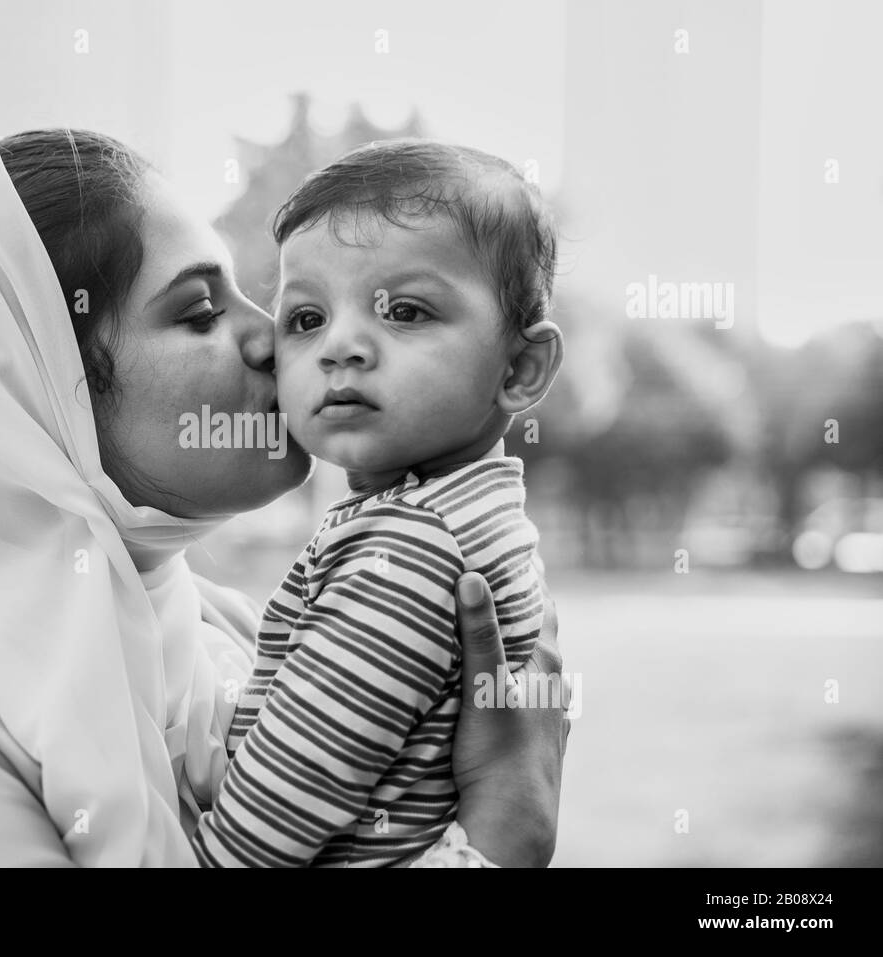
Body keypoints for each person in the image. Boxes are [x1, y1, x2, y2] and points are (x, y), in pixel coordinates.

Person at [0, 129, 568, 867]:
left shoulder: (208, 629)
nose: (277, 339)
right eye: (199, 312)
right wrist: (500, 834)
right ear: (33, 396)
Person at [192, 140, 563, 867]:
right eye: (304, 319)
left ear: (519, 367)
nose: (342, 346)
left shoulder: (411, 546)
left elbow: (266, 825)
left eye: (408, 311)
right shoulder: (460, 513)